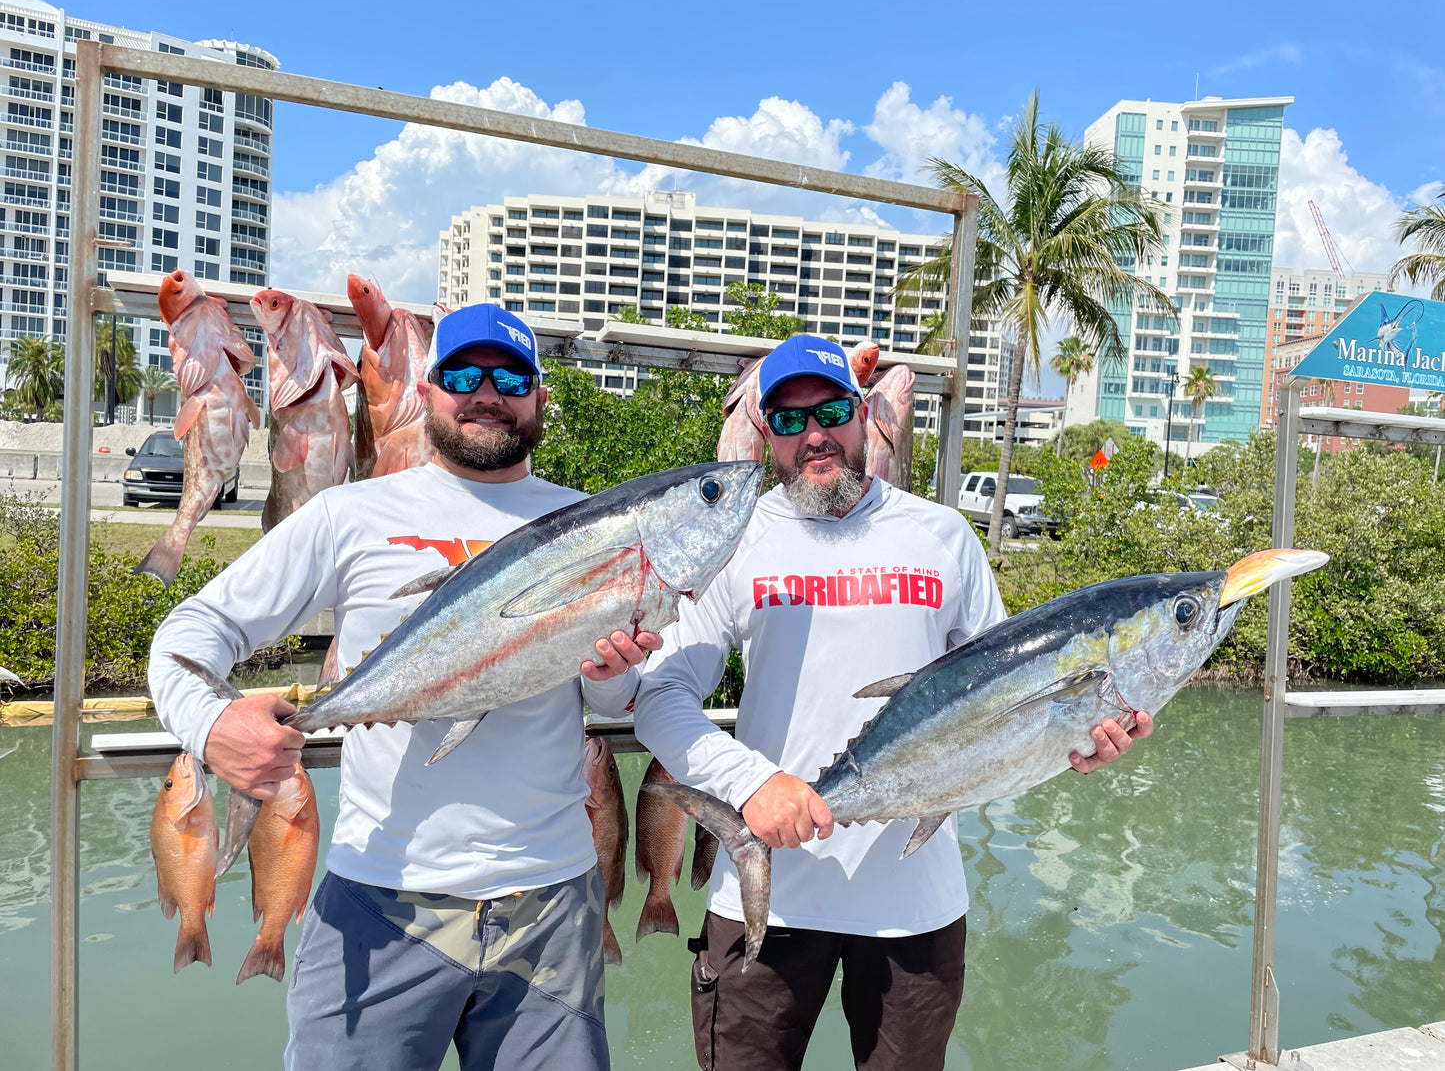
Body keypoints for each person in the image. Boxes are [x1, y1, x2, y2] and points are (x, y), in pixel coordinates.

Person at [148, 303, 659, 1071]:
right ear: (428, 390)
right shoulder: (351, 514)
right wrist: (212, 726)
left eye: (510, 376)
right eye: (463, 374)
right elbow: (188, 635)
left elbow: (617, 704)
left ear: (539, 398)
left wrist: (617, 676)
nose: (487, 392)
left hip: (551, 901)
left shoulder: (593, 525)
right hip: (378, 899)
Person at [632, 333, 1152, 1071]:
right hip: (765, 903)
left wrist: (1076, 743)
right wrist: (753, 785)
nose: (813, 434)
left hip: (916, 906)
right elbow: (660, 696)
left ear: (862, 411)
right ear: (765, 434)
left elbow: (1012, 698)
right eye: (787, 419)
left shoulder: (941, 534)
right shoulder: (734, 542)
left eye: (832, 410)